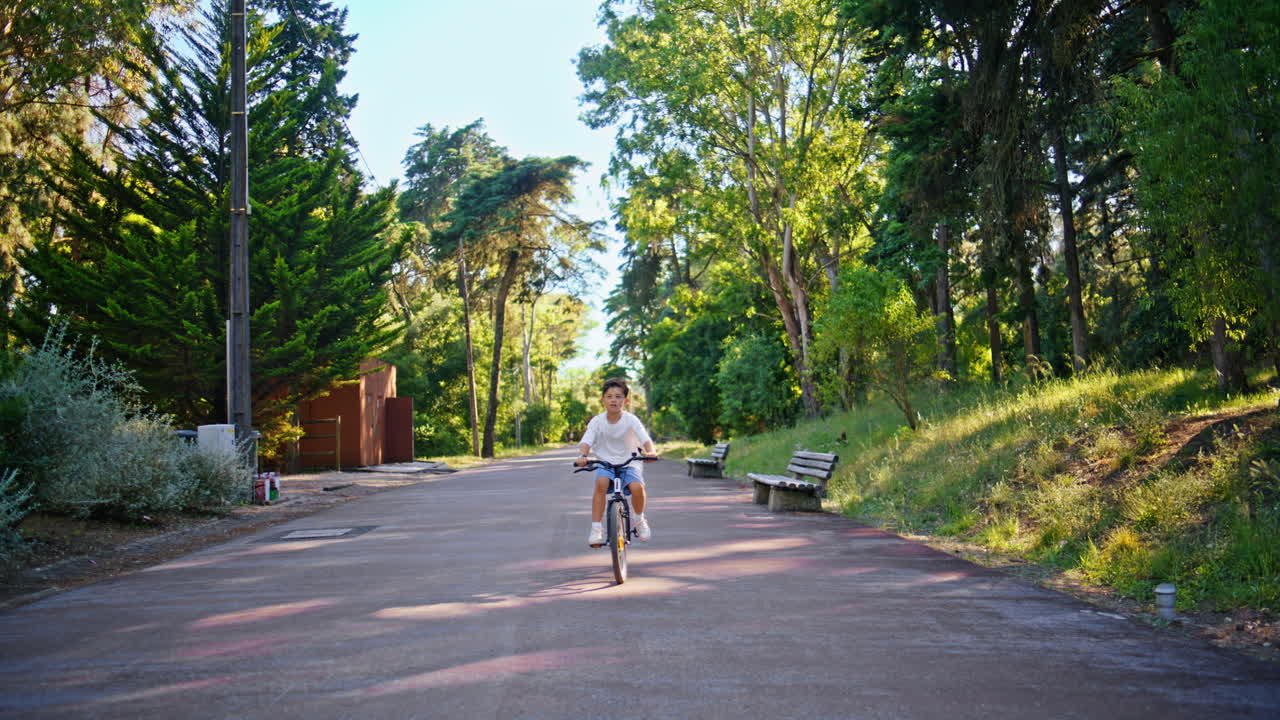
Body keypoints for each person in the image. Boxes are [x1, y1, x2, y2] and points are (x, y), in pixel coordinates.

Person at [575, 377, 657, 547]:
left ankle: (639, 519)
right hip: (606, 462)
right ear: (603, 399)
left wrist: (651, 451)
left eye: (618, 396)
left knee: (637, 487)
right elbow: (586, 441)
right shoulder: (597, 421)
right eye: (609, 396)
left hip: (630, 461)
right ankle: (596, 529)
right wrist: (583, 455)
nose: (614, 400)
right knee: (601, 483)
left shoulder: (631, 420)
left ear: (625, 400)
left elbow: (644, 438)